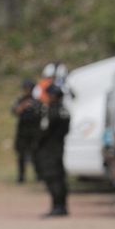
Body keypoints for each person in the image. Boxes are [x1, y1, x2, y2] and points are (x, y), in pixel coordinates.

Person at [34, 84, 71, 216]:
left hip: (50, 149)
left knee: (53, 178)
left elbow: (44, 131)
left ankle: (58, 206)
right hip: (58, 147)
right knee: (59, 177)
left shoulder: (52, 111)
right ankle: (61, 205)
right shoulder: (64, 111)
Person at [11, 78, 42, 183]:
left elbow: (41, 113)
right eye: (25, 88)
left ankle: (38, 175)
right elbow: (15, 111)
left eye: (29, 88)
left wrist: (33, 106)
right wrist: (23, 106)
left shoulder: (37, 101)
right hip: (22, 131)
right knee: (21, 155)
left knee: (36, 154)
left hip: (34, 131)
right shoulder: (20, 100)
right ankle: (21, 177)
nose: (27, 90)